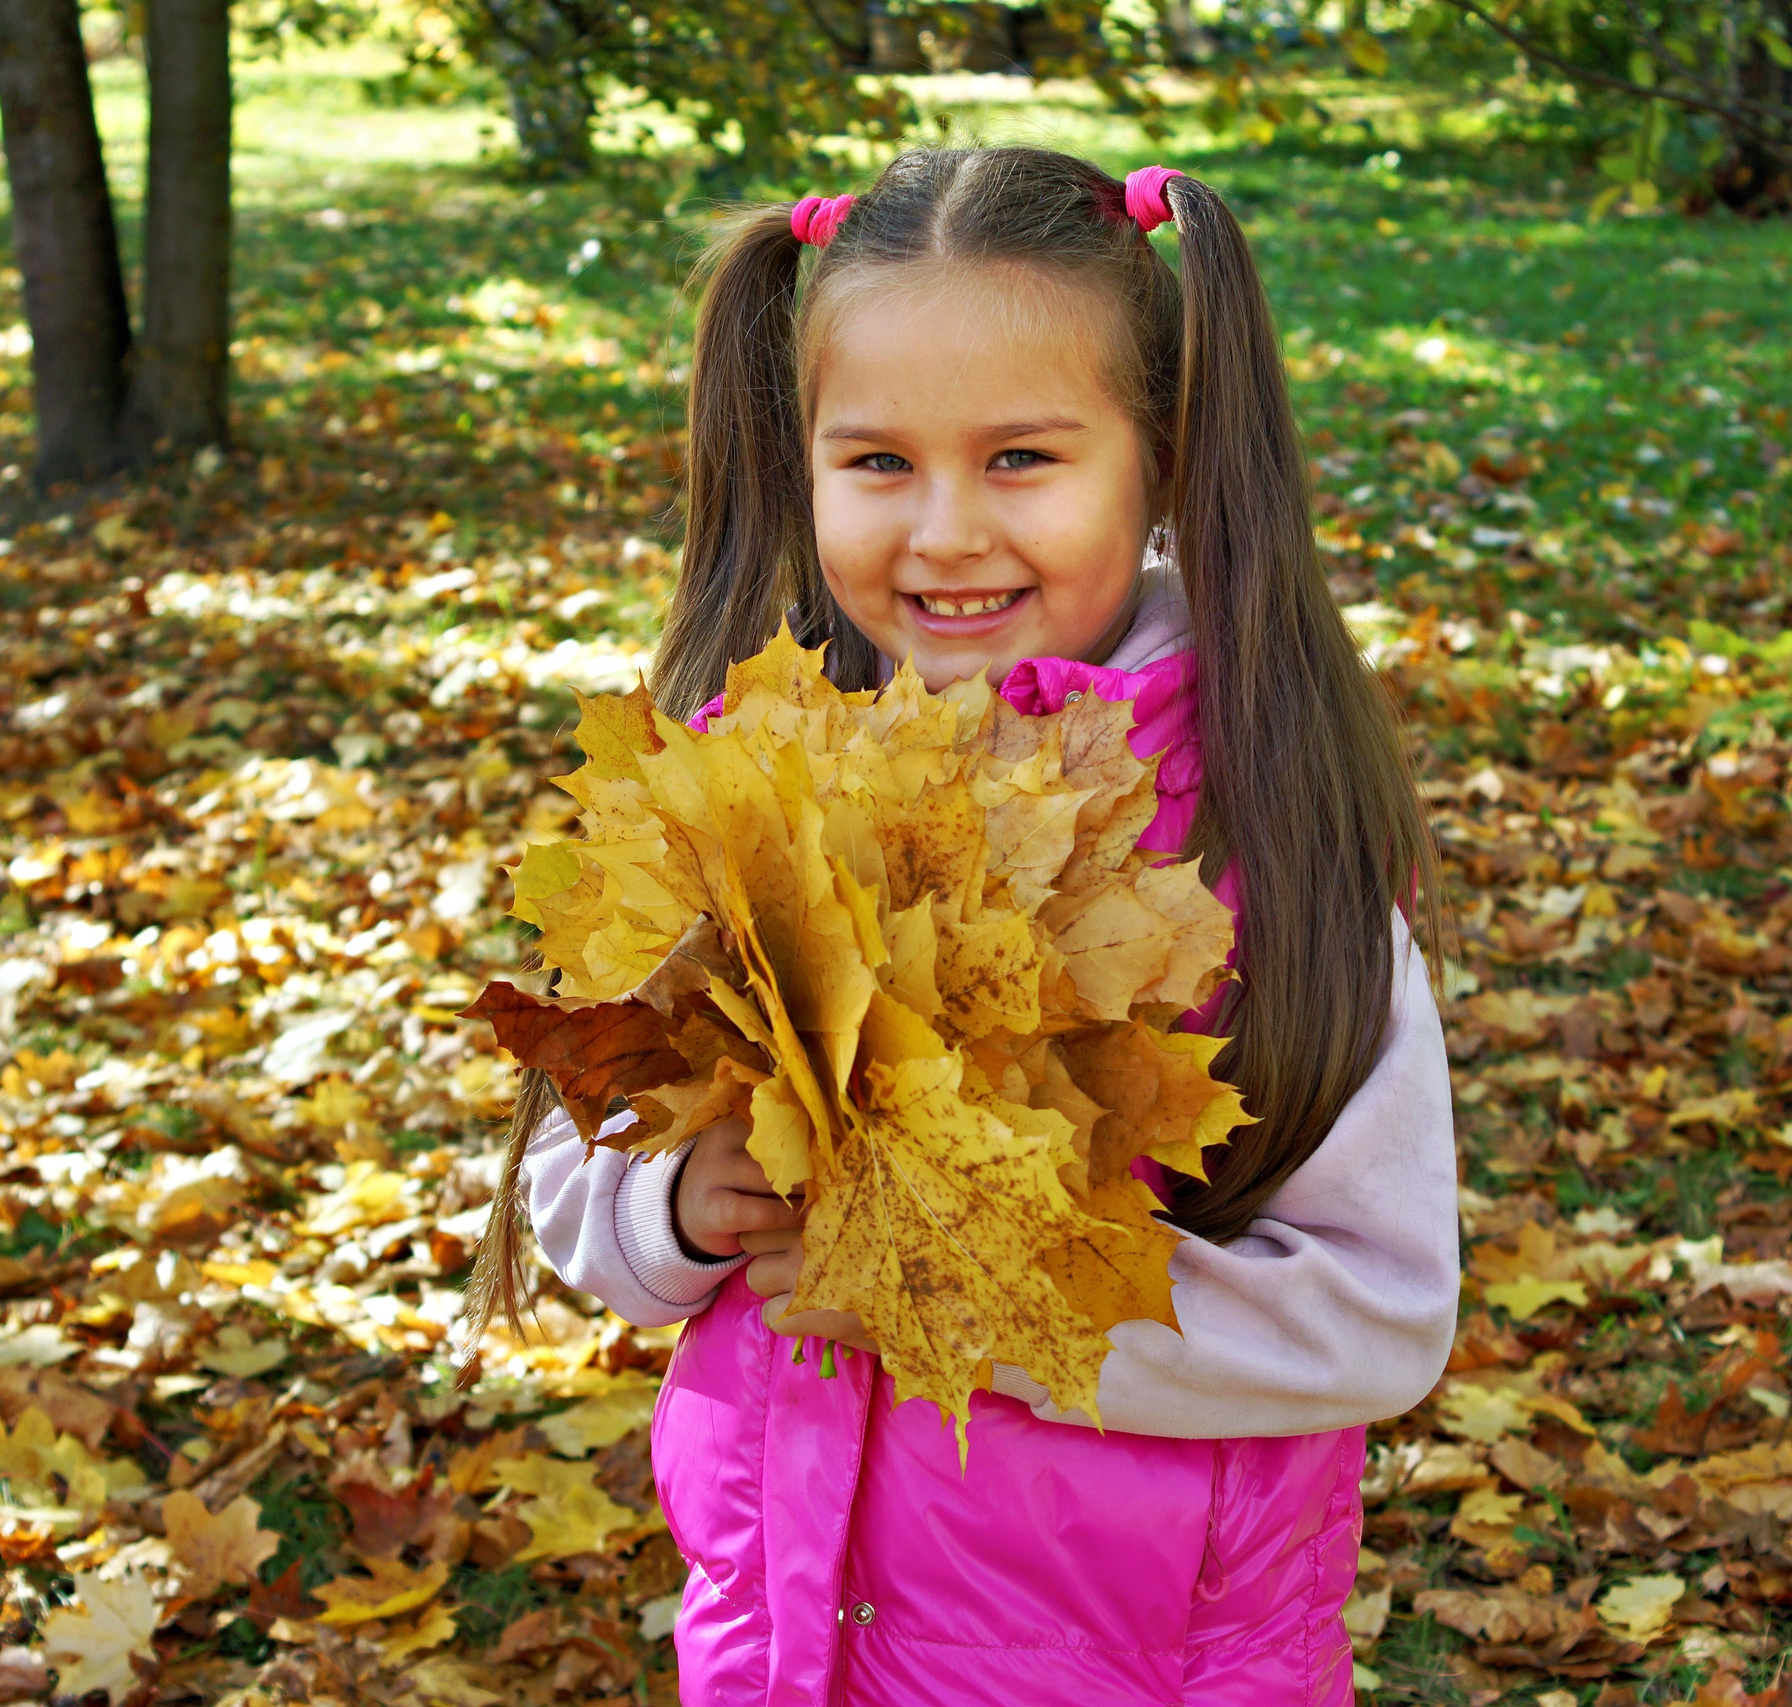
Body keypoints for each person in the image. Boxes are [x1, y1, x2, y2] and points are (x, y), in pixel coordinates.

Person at [479, 146, 1460, 1705]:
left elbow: (1380, 1317)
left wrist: (974, 1306)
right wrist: (676, 1207)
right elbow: (568, 1182)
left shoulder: (1251, 848)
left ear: (1163, 457)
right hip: (785, 1647)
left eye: (1020, 459)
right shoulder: (742, 795)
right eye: (876, 462)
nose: (943, 533)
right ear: (798, 457)